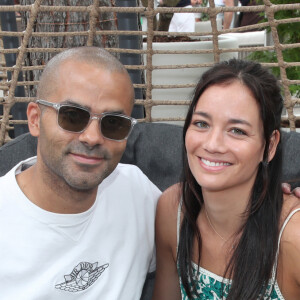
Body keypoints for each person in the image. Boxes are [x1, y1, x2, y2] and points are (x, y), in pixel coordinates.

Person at [0, 47, 161, 299]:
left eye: (113, 123)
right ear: (35, 119)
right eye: (72, 116)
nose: (92, 137)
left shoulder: (138, 194)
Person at [152, 59, 300, 299]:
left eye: (237, 131)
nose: (212, 144)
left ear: (270, 145)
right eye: (201, 123)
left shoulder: (293, 236)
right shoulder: (173, 210)